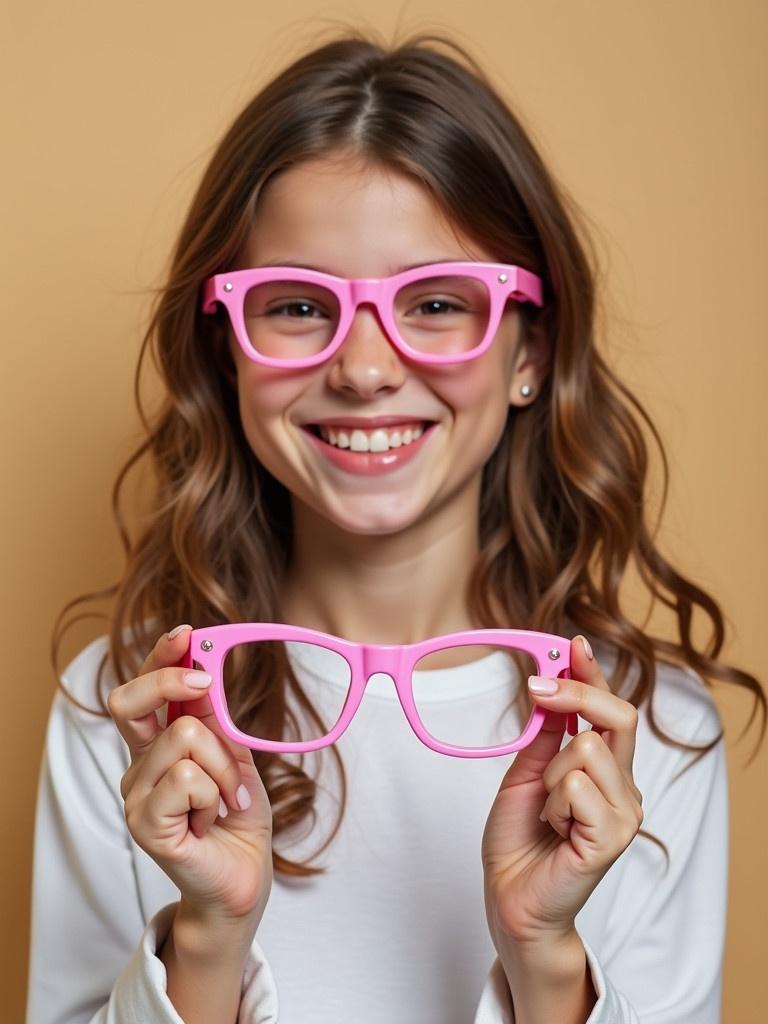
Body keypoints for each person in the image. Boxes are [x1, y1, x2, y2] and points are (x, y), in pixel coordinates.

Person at [26, 30, 764, 1024]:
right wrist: (204, 937)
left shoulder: (648, 735)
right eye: (295, 305)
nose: (366, 368)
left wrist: (545, 960)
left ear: (529, 353)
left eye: (434, 304)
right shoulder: (122, 713)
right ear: (224, 352)